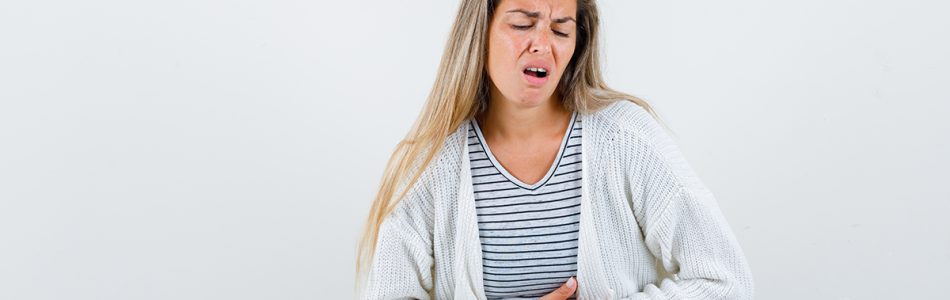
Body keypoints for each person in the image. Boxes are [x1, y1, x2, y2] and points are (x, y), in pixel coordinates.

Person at [356, 0, 754, 299]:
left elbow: (725, 280)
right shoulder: (428, 164)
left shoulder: (627, 139)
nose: (542, 45)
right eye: (522, 24)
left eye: (561, 30)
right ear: (480, 31)